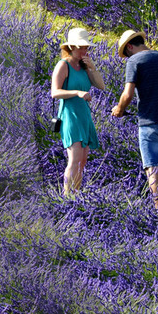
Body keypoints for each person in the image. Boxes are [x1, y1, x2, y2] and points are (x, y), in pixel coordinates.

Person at [110, 29, 158, 205]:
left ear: (129, 46)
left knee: (152, 165)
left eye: (126, 53)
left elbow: (127, 95)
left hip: (149, 121)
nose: (127, 57)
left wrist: (119, 110)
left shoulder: (134, 61)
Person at [50, 27, 108, 197]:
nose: (85, 50)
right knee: (74, 160)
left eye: (86, 48)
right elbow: (55, 92)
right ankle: (67, 196)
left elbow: (101, 86)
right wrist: (77, 93)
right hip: (70, 115)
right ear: (72, 47)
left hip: (84, 116)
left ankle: (76, 195)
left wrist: (93, 68)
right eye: (82, 47)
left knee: (82, 161)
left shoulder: (83, 66)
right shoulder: (63, 65)